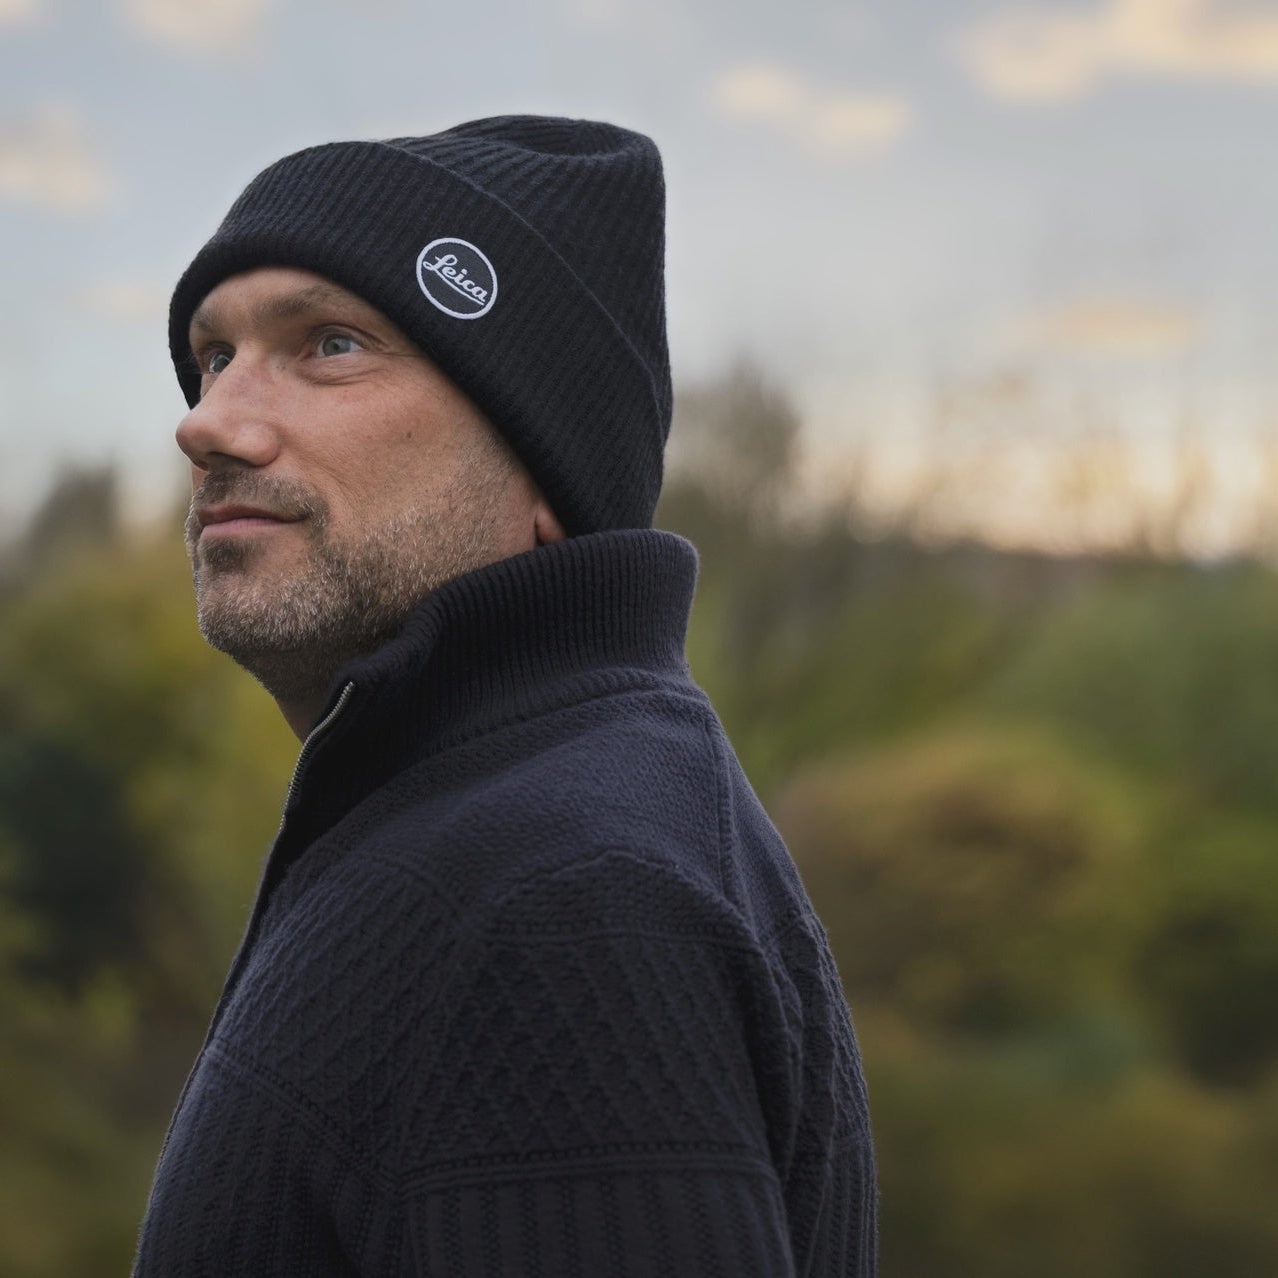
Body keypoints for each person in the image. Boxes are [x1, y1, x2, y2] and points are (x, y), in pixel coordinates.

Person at [133, 114, 878, 1276]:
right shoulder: (472, 827)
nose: (207, 420)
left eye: (329, 344)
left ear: (546, 459)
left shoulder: (566, 896)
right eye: (214, 354)